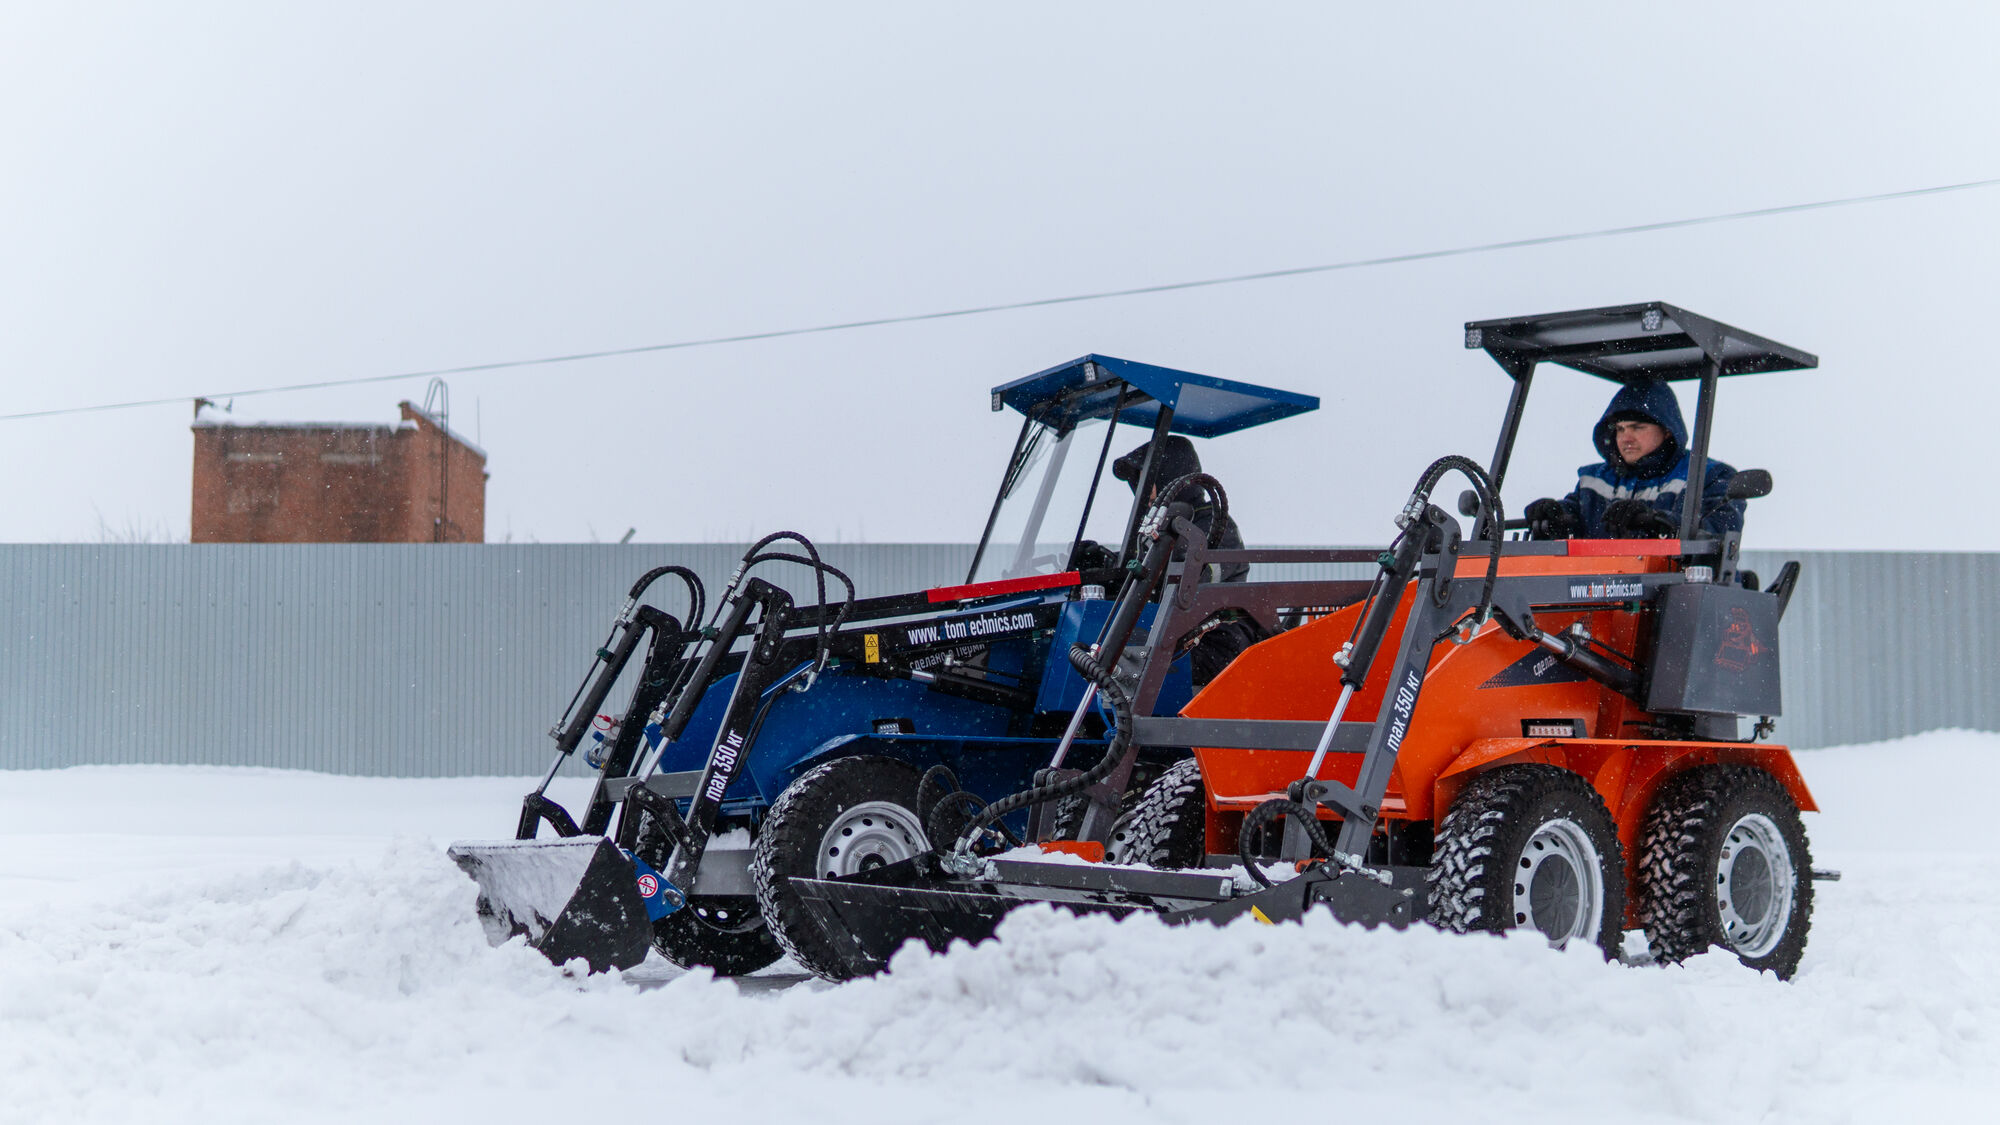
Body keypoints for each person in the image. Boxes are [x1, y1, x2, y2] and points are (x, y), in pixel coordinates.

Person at [1107, 435, 1257, 685]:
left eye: (1150, 479)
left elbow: (1190, 579)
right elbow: (1144, 568)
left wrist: (1148, 570)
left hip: (1215, 642)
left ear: (1172, 474)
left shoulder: (1215, 524)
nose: (1145, 490)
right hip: (1172, 637)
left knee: (1134, 666)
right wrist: (1108, 563)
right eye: (1139, 481)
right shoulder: (1158, 529)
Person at [1523, 377, 1744, 540]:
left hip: (1674, 589)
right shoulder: (1595, 480)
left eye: (1637, 428)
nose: (1626, 438)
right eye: (1620, 429)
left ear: (1667, 430)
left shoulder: (1708, 475)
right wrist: (1555, 515)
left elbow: (1718, 530)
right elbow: (1575, 518)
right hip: (1597, 587)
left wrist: (1656, 521)